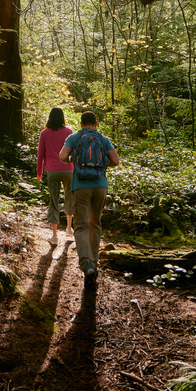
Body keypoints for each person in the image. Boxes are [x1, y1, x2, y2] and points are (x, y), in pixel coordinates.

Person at [59, 111, 119, 287]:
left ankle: (87, 265)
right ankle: (95, 261)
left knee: (81, 225)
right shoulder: (103, 138)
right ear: (96, 123)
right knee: (95, 224)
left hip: (81, 186)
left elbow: (62, 157)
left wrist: (74, 159)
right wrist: (104, 165)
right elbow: (115, 160)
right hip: (100, 186)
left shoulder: (75, 137)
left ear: (81, 123)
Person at [36, 107, 75, 247]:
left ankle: (54, 236)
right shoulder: (69, 132)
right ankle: (69, 229)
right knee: (69, 197)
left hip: (52, 170)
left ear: (50, 117)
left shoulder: (44, 133)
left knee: (54, 200)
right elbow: (74, 151)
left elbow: (40, 154)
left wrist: (39, 172)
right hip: (68, 169)